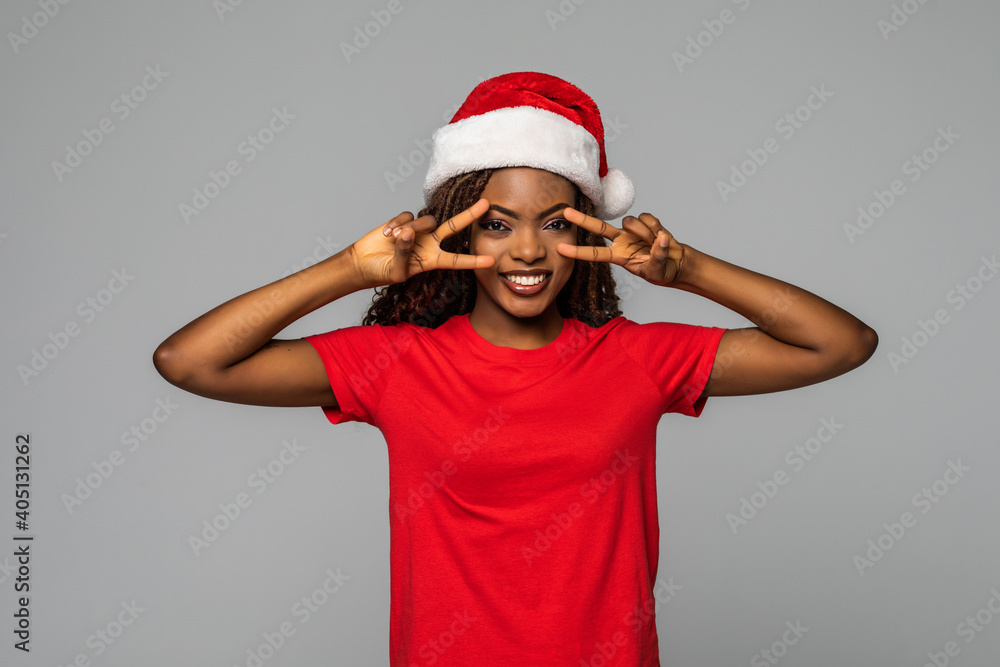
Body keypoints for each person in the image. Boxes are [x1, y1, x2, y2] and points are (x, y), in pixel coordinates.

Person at [153, 72, 877, 666]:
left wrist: (688, 269)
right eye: (499, 223)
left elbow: (841, 343)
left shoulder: (635, 357)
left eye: (555, 222)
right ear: (461, 224)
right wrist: (348, 269)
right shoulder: (400, 363)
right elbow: (188, 360)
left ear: (587, 227)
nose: (527, 250)